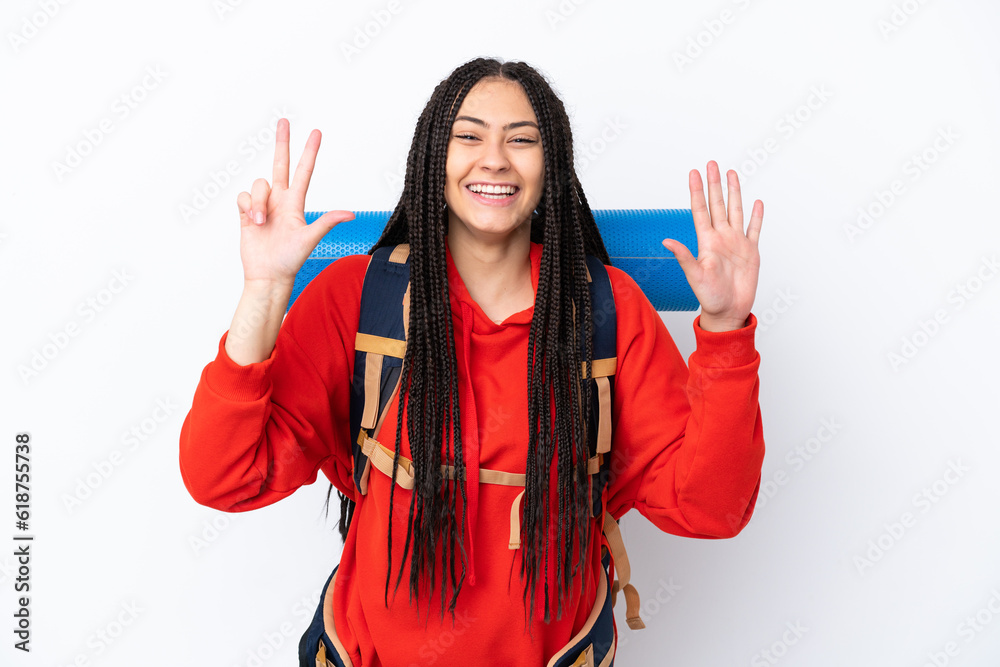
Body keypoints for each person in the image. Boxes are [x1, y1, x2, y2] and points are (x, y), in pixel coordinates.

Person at [179, 57, 766, 666]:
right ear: (434, 157)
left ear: (552, 167)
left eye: (522, 140)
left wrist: (724, 332)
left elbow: (711, 509)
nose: (495, 158)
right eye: (468, 135)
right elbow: (222, 477)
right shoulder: (360, 297)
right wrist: (266, 291)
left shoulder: (607, 310)